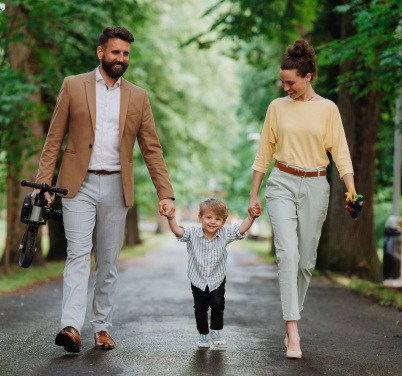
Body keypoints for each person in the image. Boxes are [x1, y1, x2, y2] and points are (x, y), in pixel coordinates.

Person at [32, 26, 175, 353]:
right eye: (115, 52)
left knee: (108, 262)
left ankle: (102, 328)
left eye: (125, 54)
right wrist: (45, 186)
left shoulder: (138, 96)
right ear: (101, 52)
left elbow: (152, 149)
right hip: (76, 186)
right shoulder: (73, 85)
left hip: (116, 186)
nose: (121, 59)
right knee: (78, 254)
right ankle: (70, 326)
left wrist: (164, 193)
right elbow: (54, 140)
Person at [248, 39, 356, 359]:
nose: (285, 88)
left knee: (307, 261)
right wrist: (254, 193)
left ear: (307, 77)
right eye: (282, 82)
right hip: (281, 181)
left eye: (291, 82)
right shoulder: (276, 108)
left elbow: (341, 153)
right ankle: (292, 330)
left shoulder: (328, 109)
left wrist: (350, 188)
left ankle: (292, 318)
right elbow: (264, 152)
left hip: (315, 185)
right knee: (289, 255)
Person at [166, 198, 261, 348]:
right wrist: (171, 218)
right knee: (200, 307)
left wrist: (251, 218)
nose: (212, 222)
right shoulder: (192, 233)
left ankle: (215, 331)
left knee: (218, 304)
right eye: (208, 217)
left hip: (217, 278)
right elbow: (177, 231)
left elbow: (240, 230)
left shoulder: (224, 234)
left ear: (223, 222)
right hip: (198, 278)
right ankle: (203, 334)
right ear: (200, 218)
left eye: (217, 219)